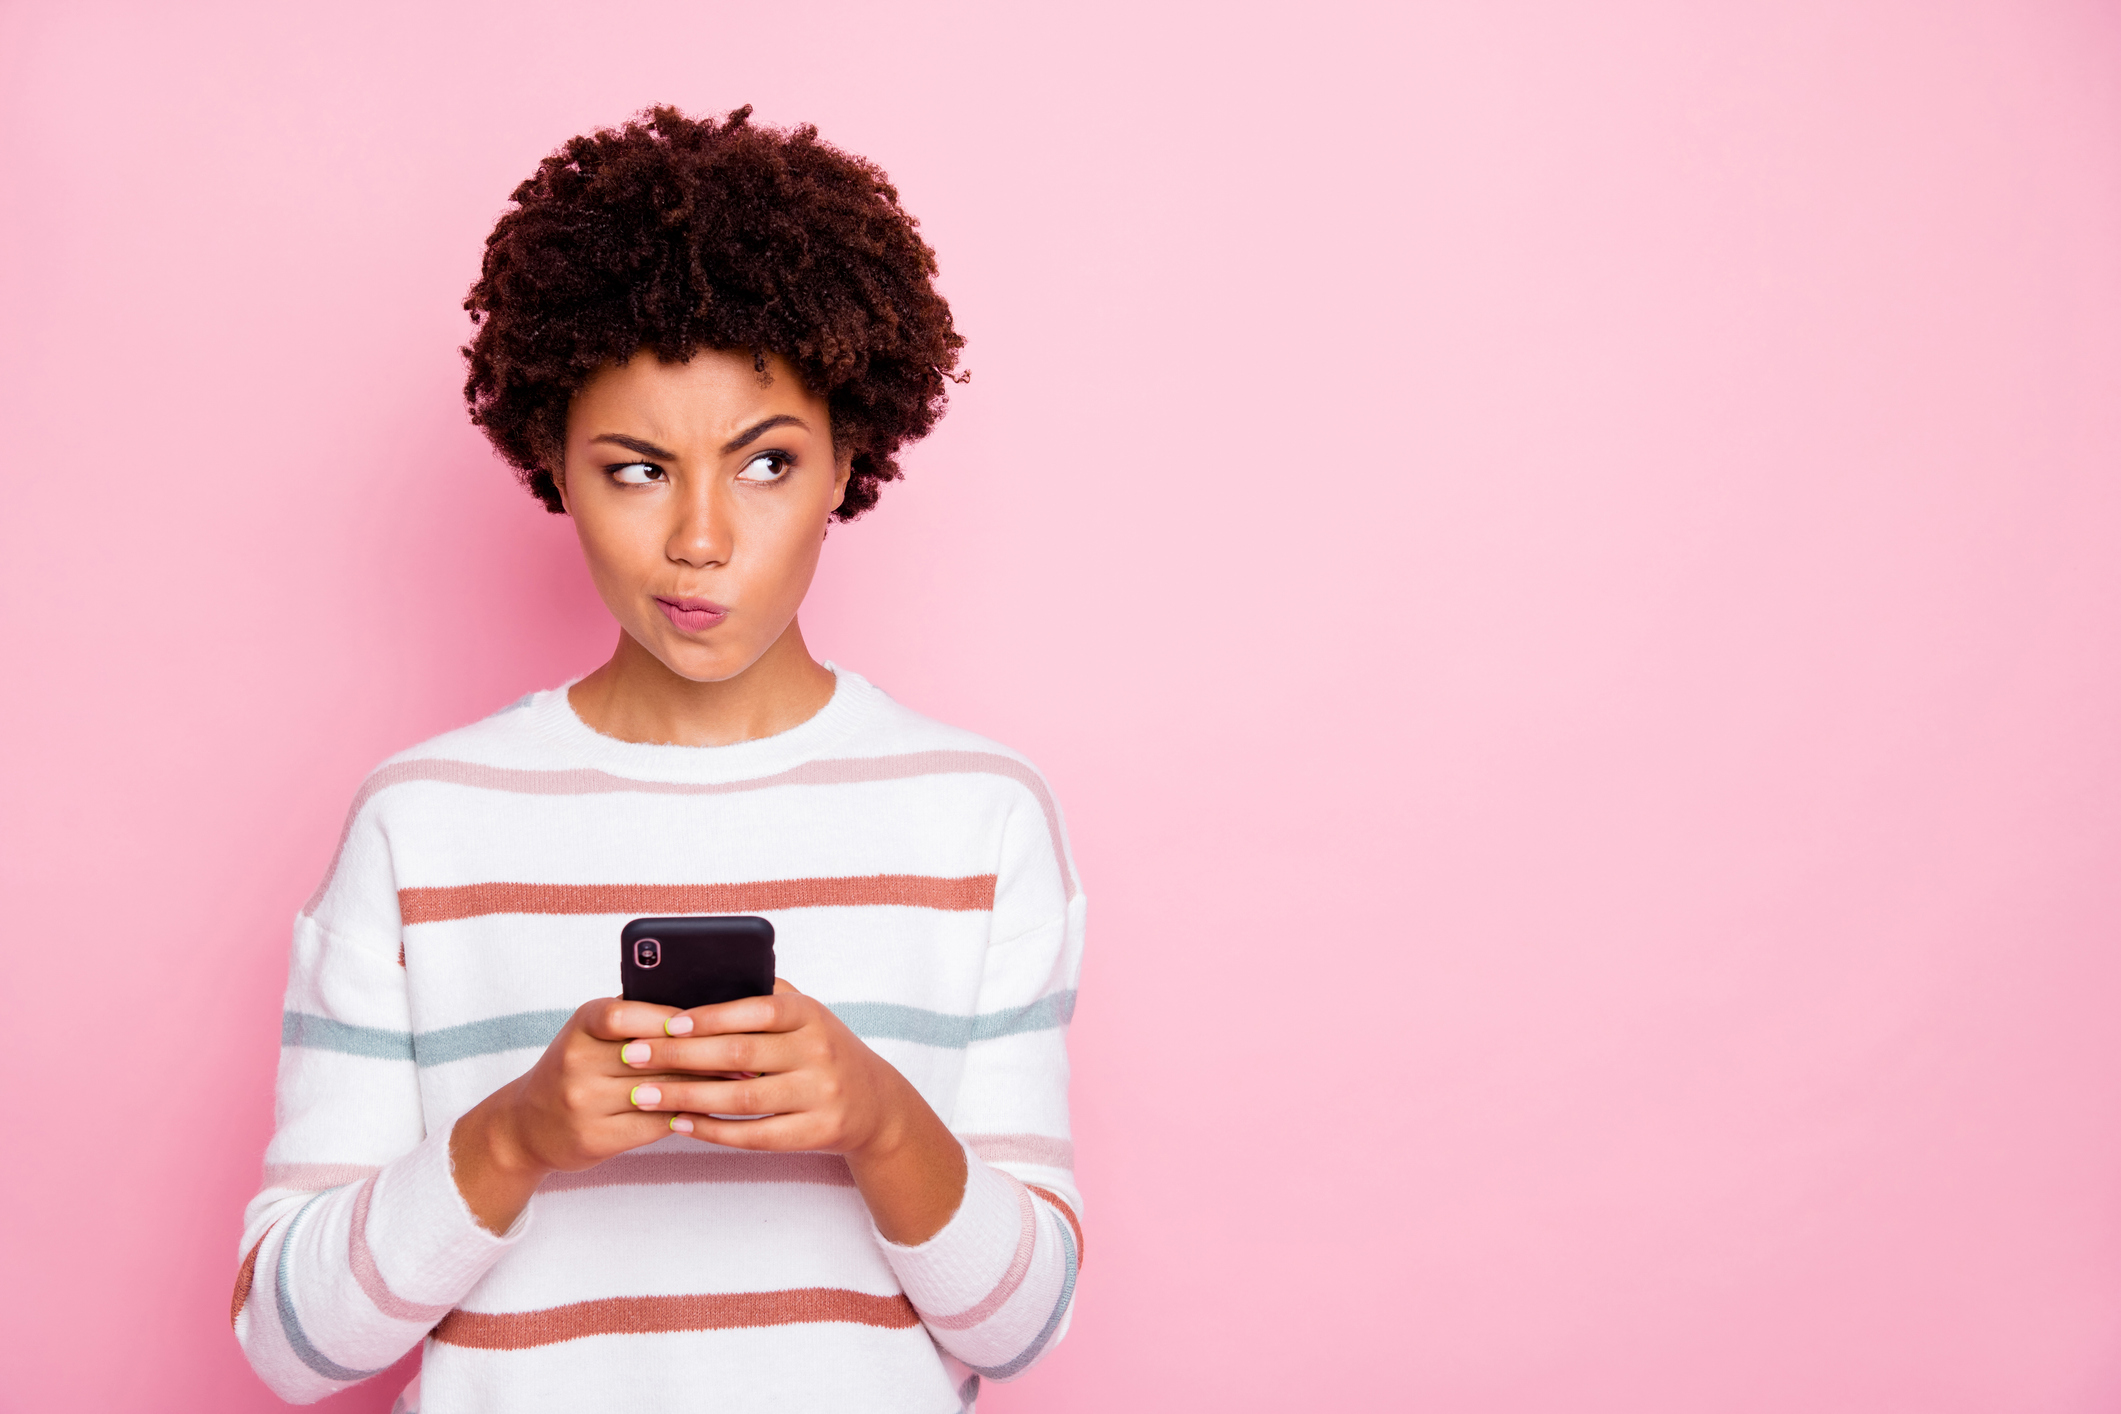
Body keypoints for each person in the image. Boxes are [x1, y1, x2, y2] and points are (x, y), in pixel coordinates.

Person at [232, 105, 1085, 1414]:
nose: (700, 537)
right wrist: (511, 1135)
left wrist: (876, 1115)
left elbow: (1023, 1328)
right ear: (552, 464)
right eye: (636, 468)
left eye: (766, 464)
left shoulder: (977, 819)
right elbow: (291, 1345)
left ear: (850, 454)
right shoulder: (424, 824)